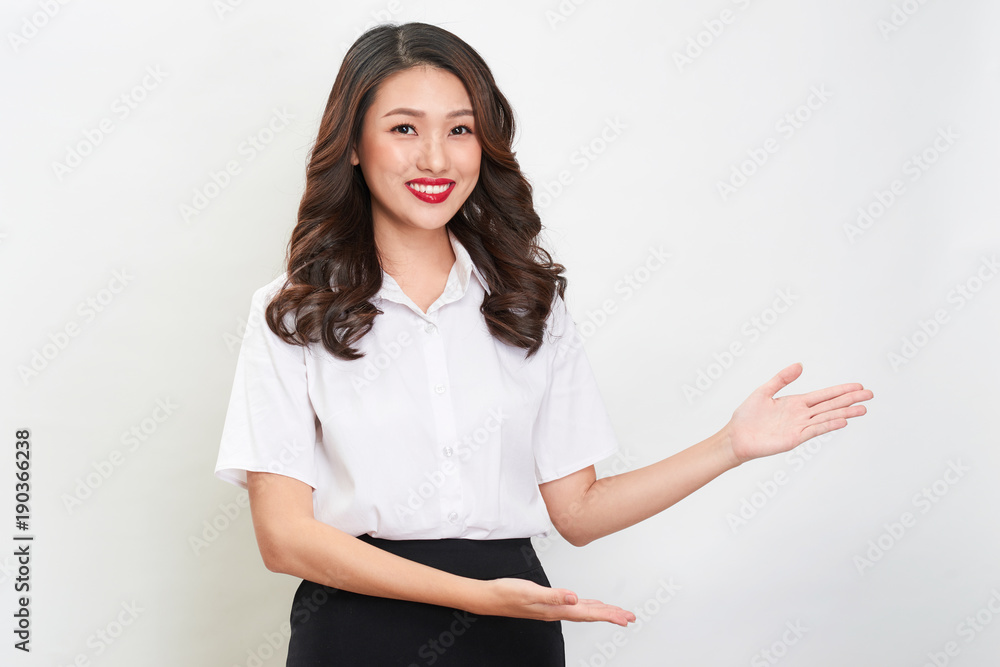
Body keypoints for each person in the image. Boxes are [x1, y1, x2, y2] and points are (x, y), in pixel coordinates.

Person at [213, 21, 873, 667]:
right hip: (358, 630)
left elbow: (578, 510)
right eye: (404, 128)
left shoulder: (527, 303)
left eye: (460, 129)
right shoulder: (292, 310)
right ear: (354, 143)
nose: (435, 158)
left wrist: (729, 445)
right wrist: (476, 595)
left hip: (511, 632)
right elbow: (285, 538)